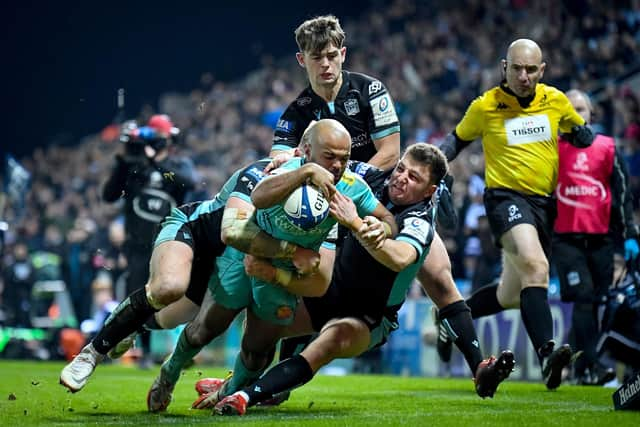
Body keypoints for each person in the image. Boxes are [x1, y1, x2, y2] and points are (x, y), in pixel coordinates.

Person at [210, 143, 514, 416]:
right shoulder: (370, 176)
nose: (401, 178)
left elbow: (398, 257)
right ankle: (241, 384)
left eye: (414, 178)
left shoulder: (419, 220)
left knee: (329, 342)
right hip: (328, 291)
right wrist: (289, 159)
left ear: (430, 191)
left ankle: (243, 396)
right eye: (401, 169)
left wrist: (353, 221)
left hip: (368, 315)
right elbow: (328, 161)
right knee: (261, 326)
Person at [145, 119, 395, 412]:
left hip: (281, 274)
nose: (338, 165)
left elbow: (387, 218)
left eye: (344, 157)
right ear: (307, 150)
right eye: (329, 156)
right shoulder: (282, 170)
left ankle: (230, 393)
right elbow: (258, 197)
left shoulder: (352, 187)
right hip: (243, 258)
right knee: (205, 329)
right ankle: (169, 373)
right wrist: (304, 173)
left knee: (257, 350)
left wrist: (383, 229)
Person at [59, 155, 321, 393]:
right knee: (168, 287)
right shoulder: (259, 172)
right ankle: (91, 354)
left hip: (220, 260)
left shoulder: (315, 201)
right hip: (195, 231)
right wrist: (292, 251)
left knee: (171, 321)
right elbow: (230, 231)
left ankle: (136, 329)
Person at [437, 39, 594, 390]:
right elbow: (456, 140)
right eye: (517, 68)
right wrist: (435, 162)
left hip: (544, 204)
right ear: (503, 66)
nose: (523, 76)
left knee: (510, 294)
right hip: (505, 198)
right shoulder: (487, 106)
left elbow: (578, 130)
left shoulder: (555, 100)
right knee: (536, 267)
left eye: (531, 69)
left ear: (543, 70)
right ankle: (547, 354)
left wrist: (584, 135)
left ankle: (449, 317)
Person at [552, 89, 638, 385]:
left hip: (601, 240)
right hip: (566, 240)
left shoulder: (608, 148)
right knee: (584, 298)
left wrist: (630, 236)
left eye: (581, 109)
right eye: (570, 109)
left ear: (591, 114)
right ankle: (589, 368)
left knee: (596, 302)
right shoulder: (551, 150)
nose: (576, 115)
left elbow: (623, 193)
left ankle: (580, 366)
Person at [100, 114, 196, 368]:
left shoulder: (178, 164)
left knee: (171, 292)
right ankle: (137, 351)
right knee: (137, 295)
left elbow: (190, 182)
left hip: (169, 241)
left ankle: (179, 351)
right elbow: (109, 195)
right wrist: (124, 160)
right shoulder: (134, 167)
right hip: (137, 244)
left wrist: (157, 161)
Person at [272, 15, 400, 170]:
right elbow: (276, 162)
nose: (325, 64)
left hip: (373, 189)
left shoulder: (371, 90)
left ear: (343, 54)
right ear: (301, 60)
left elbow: (390, 153)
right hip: (324, 191)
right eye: (316, 57)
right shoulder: (296, 113)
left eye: (332, 56)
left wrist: (350, 186)